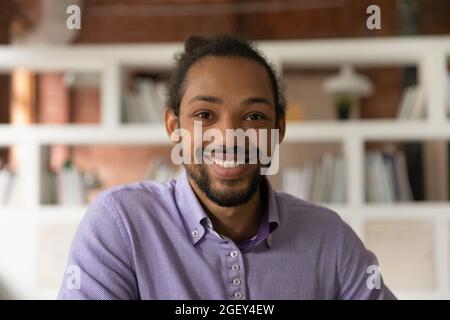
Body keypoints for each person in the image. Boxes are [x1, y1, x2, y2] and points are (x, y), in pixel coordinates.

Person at [58, 35, 395, 300]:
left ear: (278, 129)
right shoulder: (120, 225)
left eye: (254, 117)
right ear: (174, 126)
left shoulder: (329, 238)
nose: (230, 137)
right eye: (205, 115)